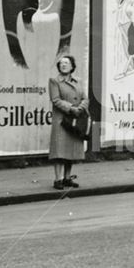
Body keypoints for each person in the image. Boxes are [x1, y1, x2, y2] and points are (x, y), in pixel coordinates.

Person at [48, 55, 89, 190]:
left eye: (67, 63)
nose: (63, 65)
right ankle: (58, 179)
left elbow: (85, 98)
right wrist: (71, 108)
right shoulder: (54, 81)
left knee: (70, 151)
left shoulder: (78, 81)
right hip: (62, 121)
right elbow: (55, 100)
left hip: (75, 121)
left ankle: (67, 178)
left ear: (72, 66)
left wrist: (80, 108)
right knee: (60, 151)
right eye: (61, 63)